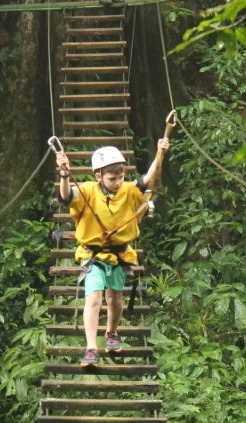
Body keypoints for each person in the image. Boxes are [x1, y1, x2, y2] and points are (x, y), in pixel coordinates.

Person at [55, 139, 169, 367]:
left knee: (115, 299)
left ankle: (112, 333)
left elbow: (148, 180)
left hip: (119, 255)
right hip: (92, 256)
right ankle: (90, 347)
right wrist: (65, 175)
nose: (118, 182)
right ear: (99, 176)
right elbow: (66, 196)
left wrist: (160, 154)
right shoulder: (87, 190)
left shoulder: (128, 191)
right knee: (94, 297)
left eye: (121, 177)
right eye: (112, 178)